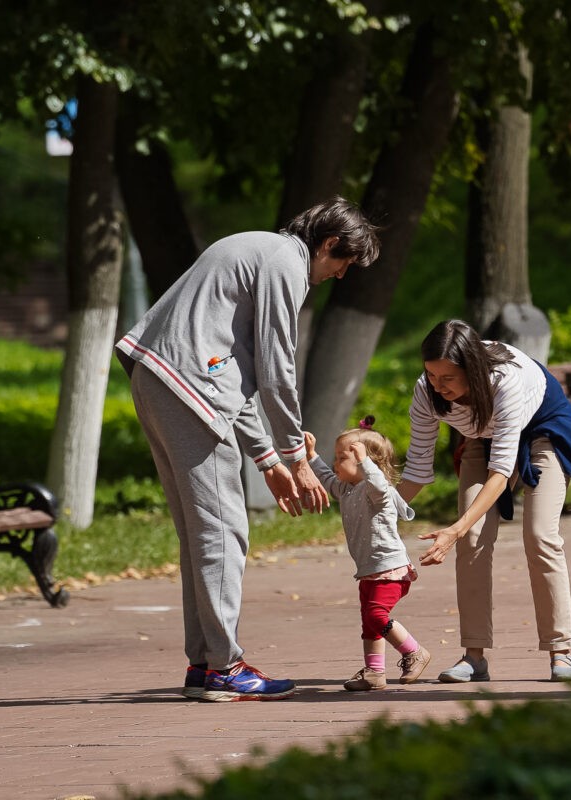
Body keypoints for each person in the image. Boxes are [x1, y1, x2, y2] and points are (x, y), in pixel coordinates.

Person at [114, 196, 380, 701]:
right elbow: (276, 370)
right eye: (344, 262)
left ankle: (204, 663)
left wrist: (268, 459)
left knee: (201, 533)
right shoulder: (286, 264)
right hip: (189, 389)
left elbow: (236, 374)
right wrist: (297, 459)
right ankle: (224, 668)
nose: (341, 274)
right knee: (222, 532)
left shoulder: (256, 247)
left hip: (159, 379)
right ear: (328, 243)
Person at [398, 320, 571, 683]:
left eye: (447, 377)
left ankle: (561, 651)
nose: (437, 385)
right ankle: (474, 657)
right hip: (484, 436)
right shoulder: (426, 391)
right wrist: (382, 513)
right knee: (473, 539)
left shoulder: (506, 380)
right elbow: (417, 469)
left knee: (540, 535)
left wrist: (454, 529)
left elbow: (501, 472)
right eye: (431, 374)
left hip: (543, 429)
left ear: (472, 369)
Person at [304, 417, 432, 691]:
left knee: (376, 615)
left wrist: (364, 462)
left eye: (342, 458)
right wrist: (312, 456)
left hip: (390, 568)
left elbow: (378, 484)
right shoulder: (347, 489)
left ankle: (414, 651)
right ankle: (374, 672)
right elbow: (326, 479)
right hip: (369, 570)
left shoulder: (377, 490)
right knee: (369, 622)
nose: (335, 463)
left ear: (366, 461)